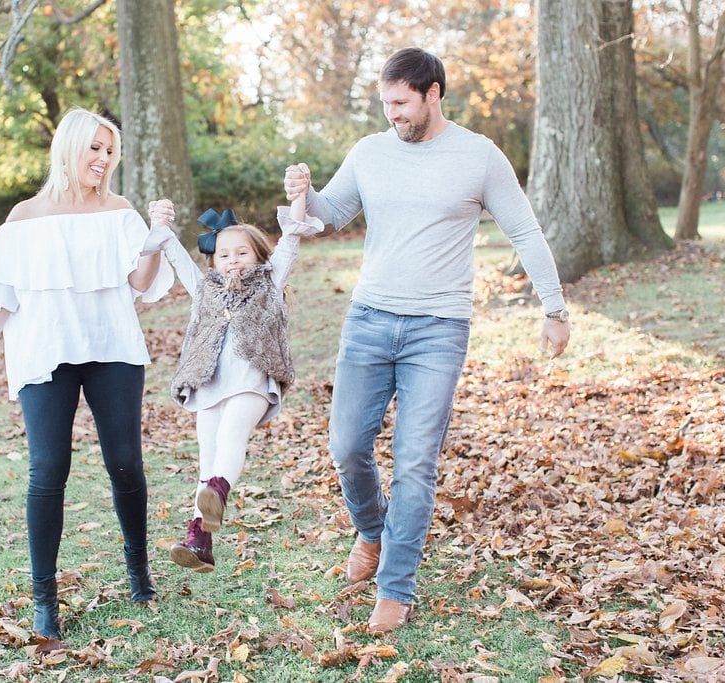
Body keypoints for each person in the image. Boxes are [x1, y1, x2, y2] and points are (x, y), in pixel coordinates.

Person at [283, 47, 571, 633]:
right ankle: (371, 532)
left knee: (415, 463)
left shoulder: (478, 156)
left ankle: (395, 585)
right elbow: (330, 214)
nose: (392, 114)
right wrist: (303, 193)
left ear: (432, 93)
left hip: (438, 330)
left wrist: (554, 307)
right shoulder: (369, 152)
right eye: (385, 103)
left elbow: (524, 229)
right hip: (368, 320)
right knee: (346, 446)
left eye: (401, 103)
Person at [0, 107, 177, 644]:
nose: (104, 160)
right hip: (45, 351)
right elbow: (1, 297)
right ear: (69, 149)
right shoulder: (25, 218)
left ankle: (138, 573)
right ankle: (44, 600)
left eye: (110, 152)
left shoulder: (120, 210)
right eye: (95, 149)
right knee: (48, 470)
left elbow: (139, 280)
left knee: (125, 462)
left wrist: (153, 242)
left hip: (111, 347)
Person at [144, 194, 321, 573]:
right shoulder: (204, 288)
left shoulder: (270, 283)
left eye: (241, 253)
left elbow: (290, 241)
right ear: (213, 260)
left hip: (252, 378)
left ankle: (219, 492)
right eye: (224, 255)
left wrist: (300, 200)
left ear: (258, 256)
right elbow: (175, 256)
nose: (232, 261)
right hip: (207, 380)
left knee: (230, 440)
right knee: (207, 460)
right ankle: (199, 541)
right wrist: (161, 226)